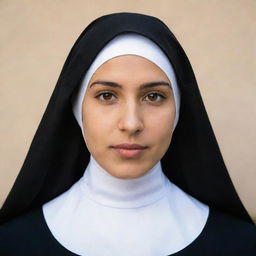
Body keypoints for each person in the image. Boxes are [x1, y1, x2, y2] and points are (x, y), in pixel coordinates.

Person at [0, 12, 255, 256]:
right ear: (77, 109)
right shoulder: (12, 244)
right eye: (107, 96)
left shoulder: (241, 245)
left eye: (154, 96)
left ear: (178, 111)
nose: (131, 123)